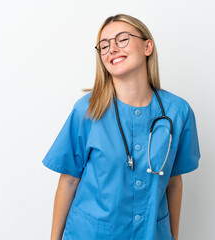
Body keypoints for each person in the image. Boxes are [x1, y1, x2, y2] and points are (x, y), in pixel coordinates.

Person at [42, 14, 201, 240]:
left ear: (148, 46)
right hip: (90, 234)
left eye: (122, 39)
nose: (112, 49)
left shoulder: (178, 112)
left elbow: (174, 182)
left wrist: (172, 237)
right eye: (104, 45)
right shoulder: (87, 110)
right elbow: (68, 180)